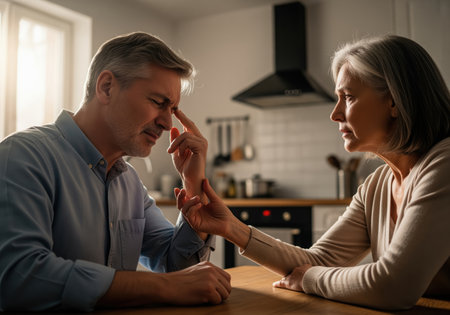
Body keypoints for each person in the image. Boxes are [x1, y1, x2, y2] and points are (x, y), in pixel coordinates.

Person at [175, 35, 450, 310]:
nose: (335, 114)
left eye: (349, 97)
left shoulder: (444, 164)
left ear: (394, 101)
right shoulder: (376, 186)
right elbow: (317, 260)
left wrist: (309, 280)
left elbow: (393, 286)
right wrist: (231, 228)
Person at [0, 32, 231, 312]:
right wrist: (165, 287)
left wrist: (194, 185)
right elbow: (19, 278)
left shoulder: (129, 183)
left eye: (172, 109)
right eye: (158, 102)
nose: (167, 122)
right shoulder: (23, 156)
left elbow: (176, 267)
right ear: (107, 87)